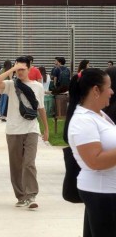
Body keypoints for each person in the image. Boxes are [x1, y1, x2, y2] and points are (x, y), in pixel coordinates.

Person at [64, 68, 116, 237]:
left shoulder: (99, 115)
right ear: (95, 90)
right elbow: (95, 161)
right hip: (102, 193)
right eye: (108, 87)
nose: (112, 91)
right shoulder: (83, 121)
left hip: (107, 192)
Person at [0, 56, 49, 209]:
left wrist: (46, 128)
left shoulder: (37, 86)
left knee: (29, 163)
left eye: (23, 69)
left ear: (30, 68)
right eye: (18, 69)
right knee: (16, 165)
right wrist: (11, 70)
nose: (20, 72)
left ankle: (31, 195)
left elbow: (41, 108)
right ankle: (21, 196)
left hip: (31, 129)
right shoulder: (11, 84)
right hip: (13, 130)